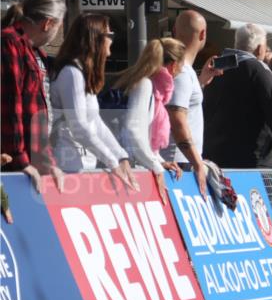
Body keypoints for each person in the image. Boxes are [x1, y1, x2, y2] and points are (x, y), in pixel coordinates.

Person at [202, 23, 272, 176]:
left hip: (214, 157)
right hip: (250, 161)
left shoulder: (216, 67)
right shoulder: (258, 70)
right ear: (259, 48)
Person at [49, 13, 137, 189]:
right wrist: (112, 162)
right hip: (67, 164)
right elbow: (79, 125)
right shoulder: (71, 73)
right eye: (109, 35)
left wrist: (121, 156)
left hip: (82, 163)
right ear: (95, 39)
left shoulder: (82, 72)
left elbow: (95, 122)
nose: (112, 40)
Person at [1, 0, 67, 192]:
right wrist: (21, 160)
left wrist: (46, 161)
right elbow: (11, 105)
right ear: (48, 23)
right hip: (11, 163)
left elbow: (36, 112)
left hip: (24, 162)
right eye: (58, 27)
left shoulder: (36, 51)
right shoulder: (9, 42)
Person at [115, 37, 186, 200]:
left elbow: (142, 136)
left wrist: (158, 160)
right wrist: (156, 166)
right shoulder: (145, 85)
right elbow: (133, 132)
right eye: (180, 69)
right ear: (173, 66)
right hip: (125, 170)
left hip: (124, 166)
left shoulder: (147, 85)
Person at [166, 10, 221, 197]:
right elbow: (177, 119)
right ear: (203, 34)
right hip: (181, 165)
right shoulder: (181, 72)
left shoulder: (183, 71)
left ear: (174, 30)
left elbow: (183, 105)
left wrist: (202, 81)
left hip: (182, 161)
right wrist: (198, 163)